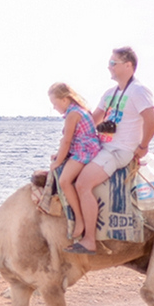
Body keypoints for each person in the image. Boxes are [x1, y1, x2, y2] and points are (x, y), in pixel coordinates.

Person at [67, 46, 154, 255]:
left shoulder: (138, 91)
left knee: (82, 184)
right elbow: (92, 120)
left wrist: (143, 146)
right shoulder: (110, 93)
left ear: (128, 65)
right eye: (109, 63)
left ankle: (89, 240)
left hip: (119, 150)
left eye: (113, 63)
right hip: (103, 146)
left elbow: (152, 120)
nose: (109, 67)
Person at [47, 82, 101, 241]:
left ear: (64, 100)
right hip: (81, 147)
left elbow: (67, 141)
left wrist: (58, 162)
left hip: (84, 150)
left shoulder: (73, 114)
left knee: (64, 180)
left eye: (55, 104)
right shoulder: (77, 110)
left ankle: (80, 219)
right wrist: (58, 155)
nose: (55, 108)